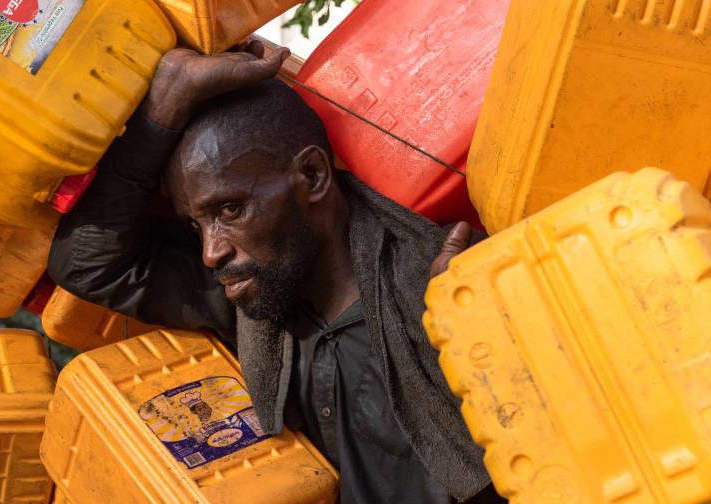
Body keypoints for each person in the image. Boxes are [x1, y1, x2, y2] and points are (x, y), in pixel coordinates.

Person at [48, 41, 504, 503]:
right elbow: (85, 264)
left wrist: (468, 343)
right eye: (195, 224)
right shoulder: (251, 306)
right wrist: (162, 110)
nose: (210, 252)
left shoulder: (446, 284)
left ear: (311, 176)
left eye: (229, 209)